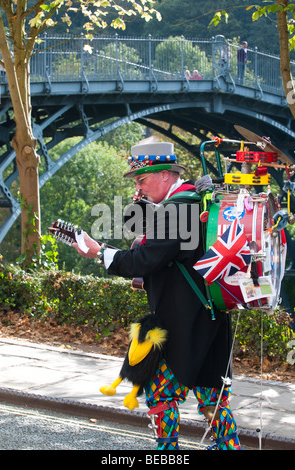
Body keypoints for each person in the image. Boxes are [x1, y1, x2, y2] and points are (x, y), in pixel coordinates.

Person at [73, 141, 241, 451]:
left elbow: (144, 259)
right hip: (210, 313)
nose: (138, 188)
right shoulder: (192, 200)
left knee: (162, 395)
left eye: (141, 180)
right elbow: (160, 250)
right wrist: (140, 201)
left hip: (180, 320)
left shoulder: (178, 209)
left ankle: (166, 454)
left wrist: (99, 253)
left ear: (164, 174)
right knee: (210, 395)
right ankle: (229, 448)